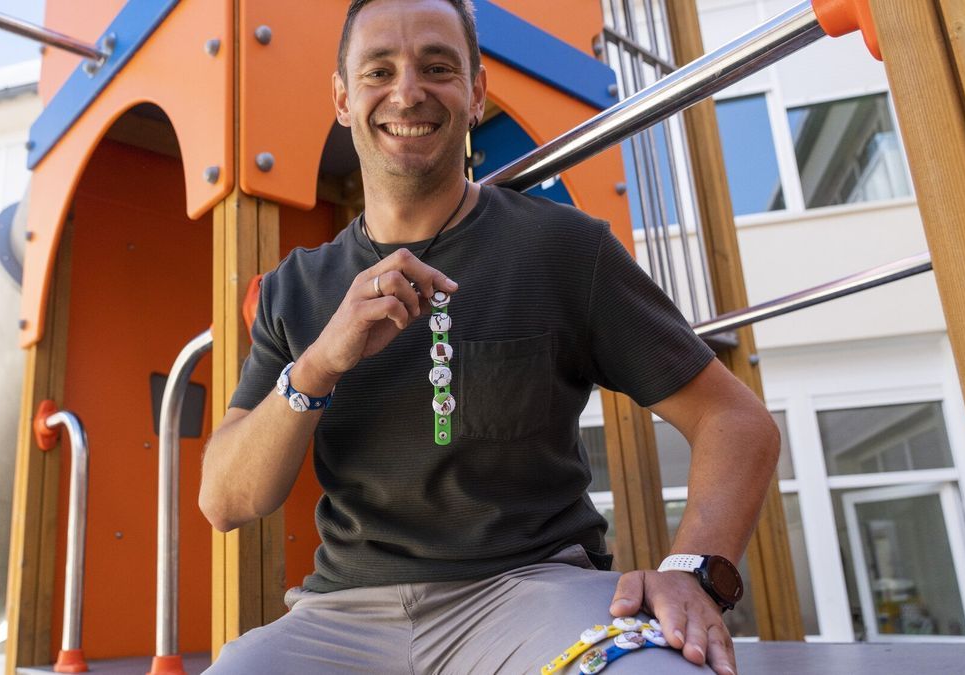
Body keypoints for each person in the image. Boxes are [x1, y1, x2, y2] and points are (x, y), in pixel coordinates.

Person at [199, 1, 779, 673]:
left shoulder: (564, 247)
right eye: (379, 70)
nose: (408, 91)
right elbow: (224, 499)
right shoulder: (294, 287)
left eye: (437, 67)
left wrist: (692, 570)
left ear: (475, 93)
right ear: (343, 98)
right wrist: (321, 364)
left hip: (532, 595)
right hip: (341, 617)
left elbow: (735, 420)